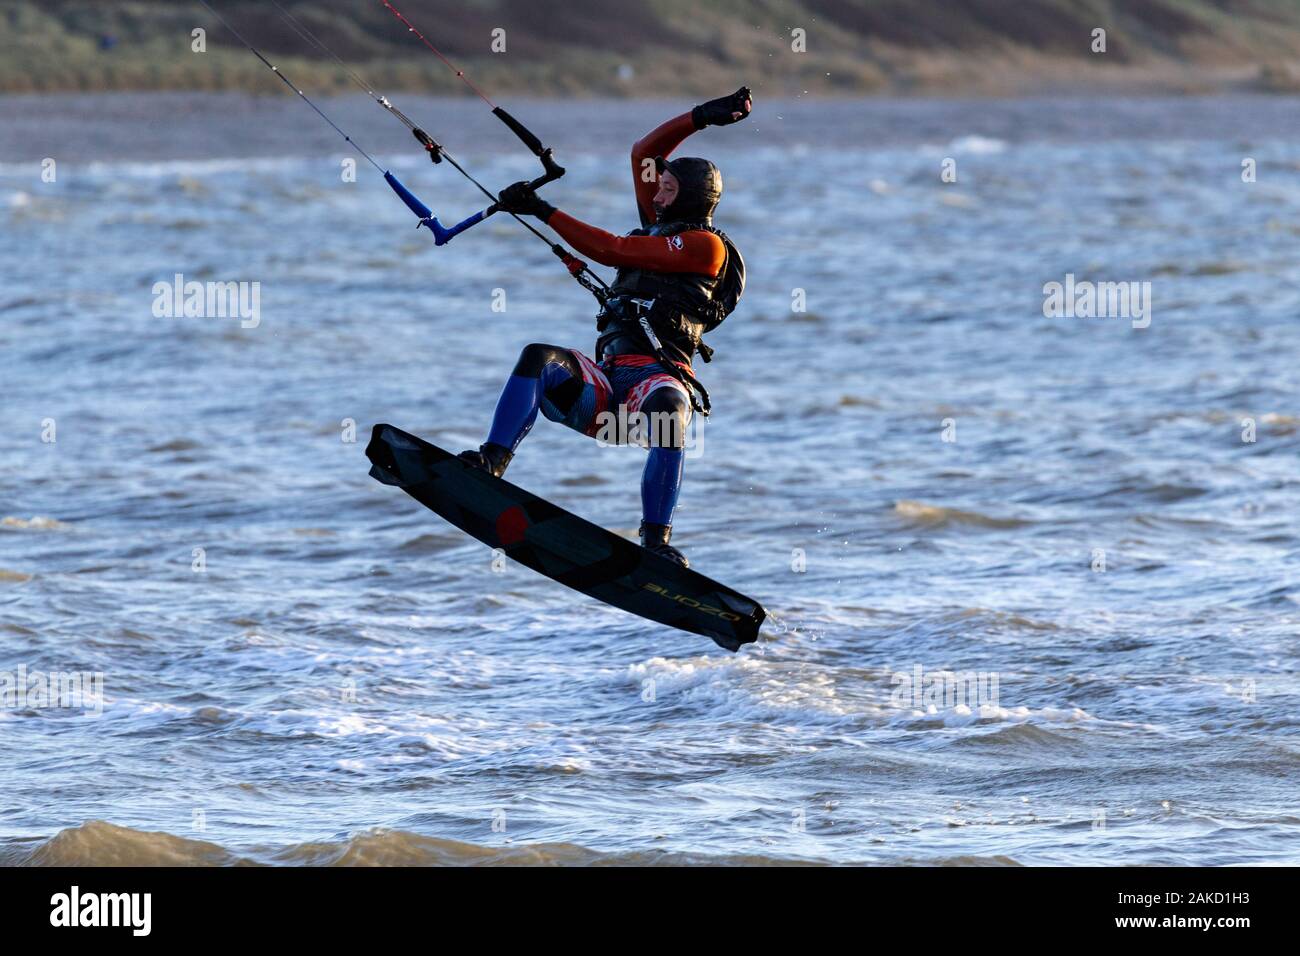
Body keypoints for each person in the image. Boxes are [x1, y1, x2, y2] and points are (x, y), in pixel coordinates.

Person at [459, 87, 753, 568]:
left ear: (694, 198)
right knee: (540, 357)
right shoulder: (657, 223)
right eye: (657, 187)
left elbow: (614, 251)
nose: (656, 194)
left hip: (649, 394)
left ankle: (655, 542)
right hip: (603, 392)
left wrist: (543, 210)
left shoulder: (705, 248)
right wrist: (700, 116)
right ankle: (491, 463)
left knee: (671, 404)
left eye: (668, 190)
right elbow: (644, 154)